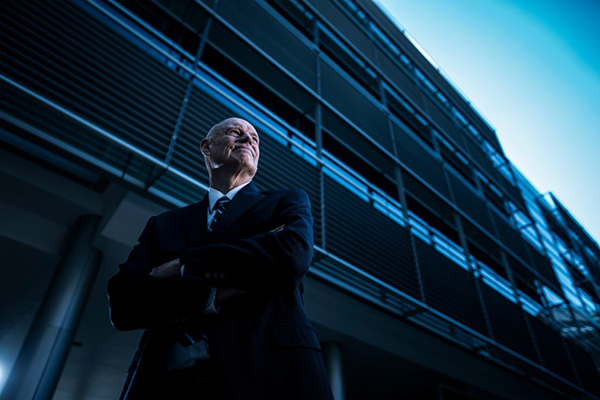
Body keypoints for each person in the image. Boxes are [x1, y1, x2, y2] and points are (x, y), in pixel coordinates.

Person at [107, 117, 333, 399]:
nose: (248, 139)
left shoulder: (286, 202)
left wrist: (181, 266)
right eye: (236, 132)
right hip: (164, 383)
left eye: (254, 138)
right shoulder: (163, 224)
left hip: (269, 375)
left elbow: (292, 255)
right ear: (206, 146)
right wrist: (221, 290)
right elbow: (124, 304)